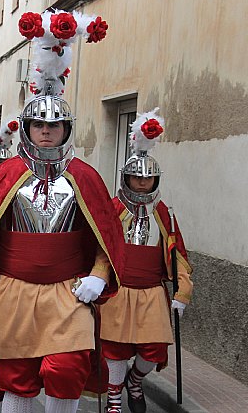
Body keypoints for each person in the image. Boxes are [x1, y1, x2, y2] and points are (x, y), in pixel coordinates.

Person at [0, 9, 121, 413]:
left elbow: (104, 238)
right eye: (39, 126)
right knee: (18, 380)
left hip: (69, 294)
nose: (47, 131)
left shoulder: (85, 176)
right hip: (14, 292)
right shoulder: (7, 174)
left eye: (55, 126)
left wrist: (99, 277)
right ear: (27, 129)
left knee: (66, 373)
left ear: (66, 130)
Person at [100, 109, 194, 413]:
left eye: (147, 178)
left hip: (152, 293)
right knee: (114, 349)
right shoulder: (113, 208)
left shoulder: (165, 213)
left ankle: (135, 381)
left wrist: (182, 292)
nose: (142, 183)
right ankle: (114, 396)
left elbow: (178, 254)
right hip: (117, 291)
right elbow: (98, 249)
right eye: (136, 177)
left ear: (156, 179)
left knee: (152, 350)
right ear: (125, 177)